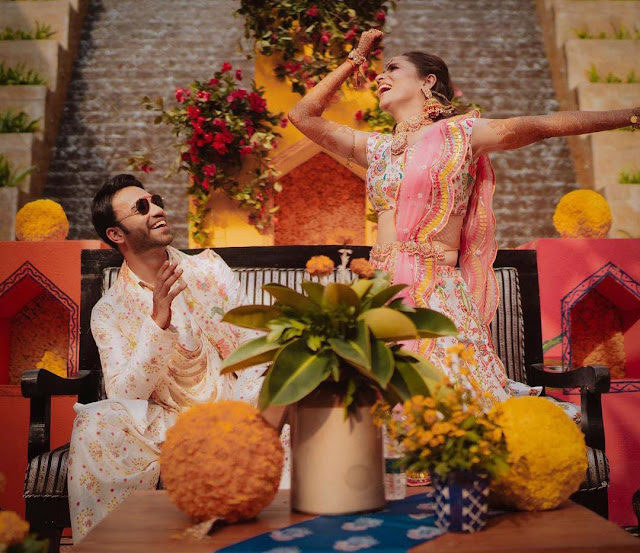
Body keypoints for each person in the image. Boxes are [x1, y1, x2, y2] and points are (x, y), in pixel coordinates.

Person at [288, 29, 640, 400]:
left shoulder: (460, 135)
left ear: (428, 81)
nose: (380, 76)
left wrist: (629, 116)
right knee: (347, 400)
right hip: (379, 295)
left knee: (445, 402)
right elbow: (302, 115)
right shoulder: (376, 148)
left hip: (436, 295)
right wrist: (354, 58)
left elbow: (541, 126)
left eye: (393, 68)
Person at [68, 174, 288, 542]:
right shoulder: (110, 310)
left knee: (285, 394)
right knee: (95, 422)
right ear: (116, 234)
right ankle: (112, 545)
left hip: (233, 407)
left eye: (155, 200)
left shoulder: (208, 270)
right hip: (167, 426)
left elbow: (253, 345)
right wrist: (157, 323)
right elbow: (125, 395)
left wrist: (241, 417)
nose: (156, 210)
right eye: (142, 207)